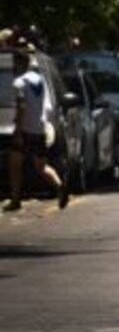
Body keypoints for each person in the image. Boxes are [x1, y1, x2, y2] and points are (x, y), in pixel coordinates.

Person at [6, 48, 69, 211]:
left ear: (19, 63)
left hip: (25, 130)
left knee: (14, 164)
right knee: (41, 167)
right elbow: (45, 106)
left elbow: (22, 107)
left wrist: (18, 131)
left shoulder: (19, 82)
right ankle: (60, 185)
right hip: (39, 129)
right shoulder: (40, 80)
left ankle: (15, 199)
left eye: (14, 62)